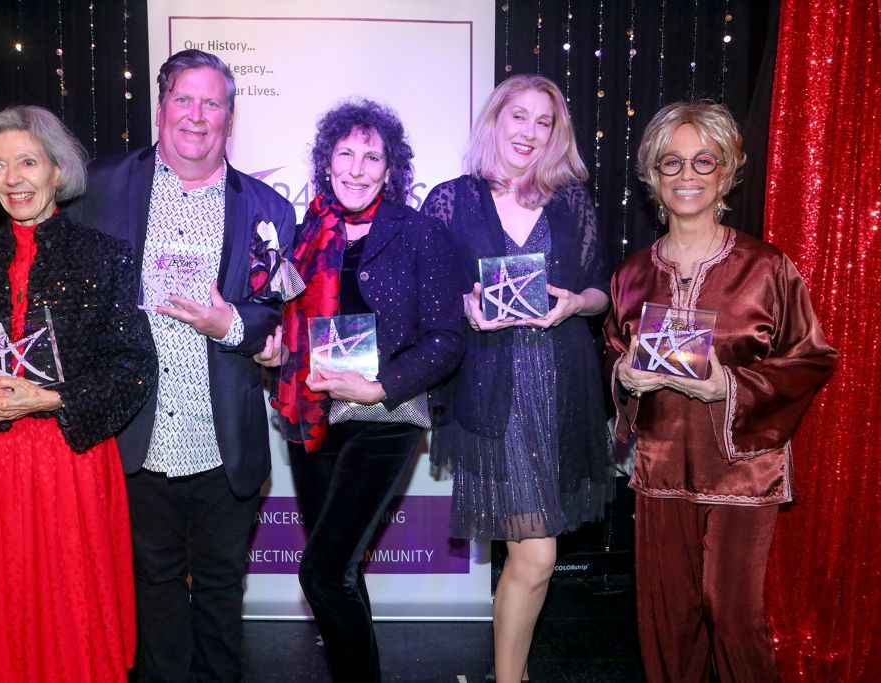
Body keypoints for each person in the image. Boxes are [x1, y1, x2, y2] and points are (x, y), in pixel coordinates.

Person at [62, 50, 296, 683]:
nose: (197, 116)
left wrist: (234, 327)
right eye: (185, 100)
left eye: (212, 103)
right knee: (153, 588)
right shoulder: (99, 186)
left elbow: (279, 314)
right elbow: (52, 273)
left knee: (221, 589)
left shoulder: (269, 209)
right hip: (134, 429)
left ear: (229, 116)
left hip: (223, 434)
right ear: (160, 106)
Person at [0, 105, 157, 682]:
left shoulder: (107, 258)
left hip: (68, 464)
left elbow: (133, 368)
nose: (13, 178)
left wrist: (49, 400)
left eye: (27, 162)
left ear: (57, 170)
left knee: (71, 613)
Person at [604, 101, 837, 682]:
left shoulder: (767, 268)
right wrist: (624, 378)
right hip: (660, 469)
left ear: (727, 171)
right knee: (667, 619)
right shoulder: (631, 275)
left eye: (702, 161)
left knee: (731, 615)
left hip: (741, 469)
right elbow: (614, 348)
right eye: (671, 163)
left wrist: (726, 387)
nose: (686, 175)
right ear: (653, 176)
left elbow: (810, 357)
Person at [255, 100, 464, 682]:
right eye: (345, 152)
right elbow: (281, 317)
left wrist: (380, 387)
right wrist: (270, 349)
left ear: (391, 169)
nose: (357, 167)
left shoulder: (422, 232)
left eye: (372, 156)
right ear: (326, 163)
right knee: (342, 574)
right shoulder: (302, 235)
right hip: (311, 416)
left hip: (384, 416)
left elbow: (447, 338)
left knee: (321, 573)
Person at [421, 74, 613, 683]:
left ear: (557, 134)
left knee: (525, 559)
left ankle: (513, 672)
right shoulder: (450, 201)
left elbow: (601, 292)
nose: (529, 132)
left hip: (561, 389)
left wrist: (573, 304)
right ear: (494, 121)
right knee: (536, 552)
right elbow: (429, 298)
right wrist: (463, 307)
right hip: (490, 392)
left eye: (545, 122)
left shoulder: (572, 199)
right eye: (519, 117)